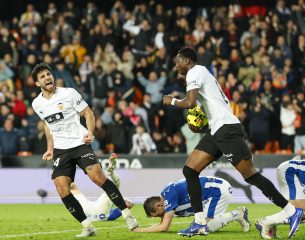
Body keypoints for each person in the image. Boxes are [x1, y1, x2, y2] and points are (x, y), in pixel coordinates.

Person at [162, 47, 303, 238]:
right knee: (190, 170)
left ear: (187, 61)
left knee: (250, 175)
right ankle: (199, 222)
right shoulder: (204, 74)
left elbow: (190, 103)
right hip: (217, 130)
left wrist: (171, 101)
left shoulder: (194, 72)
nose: (175, 64)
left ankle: (291, 211)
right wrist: (202, 126)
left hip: (226, 129)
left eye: (178, 60)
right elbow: (212, 107)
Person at [31, 63, 138, 238]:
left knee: (98, 176)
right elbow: (47, 125)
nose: (47, 78)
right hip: (61, 149)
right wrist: (49, 148)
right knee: (61, 188)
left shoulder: (69, 93)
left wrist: (90, 132)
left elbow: (88, 113)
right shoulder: (37, 104)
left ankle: (127, 214)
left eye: (48, 74)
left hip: (80, 143)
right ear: (37, 83)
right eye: (42, 77)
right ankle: (87, 227)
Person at [134, 176, 250, 234]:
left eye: (157, 215)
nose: (160, 217)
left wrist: (142, 230)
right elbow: (162, 225)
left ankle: (238, 214)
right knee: (197, 226)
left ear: (159, 205)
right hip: (213, 191)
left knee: (204, 228)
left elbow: (164, 227)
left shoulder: (169, 197)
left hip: (217, 191)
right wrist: (148, 228)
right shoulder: (167, 198)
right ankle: (237, 214)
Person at [71, 153, 134, 222]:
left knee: (71, 187)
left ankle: (62, 175)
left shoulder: (111, 214)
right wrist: (120, 199)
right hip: (99, 214)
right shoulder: (111, 215)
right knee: (113, 188)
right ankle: (111, 173)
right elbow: (130, 204)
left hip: (87, 212)